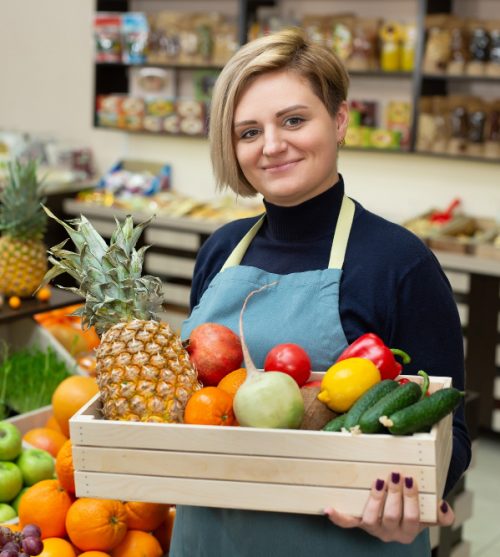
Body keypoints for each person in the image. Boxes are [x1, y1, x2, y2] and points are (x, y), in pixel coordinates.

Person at [171, 28, 471, 557]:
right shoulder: (219, 251)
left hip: (346, 542)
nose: (272, 145)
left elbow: (454, 436)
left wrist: (415, 505)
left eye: (293, 120)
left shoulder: (401, 264)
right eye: (248, 132)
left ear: (338, 120)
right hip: (210, 537)